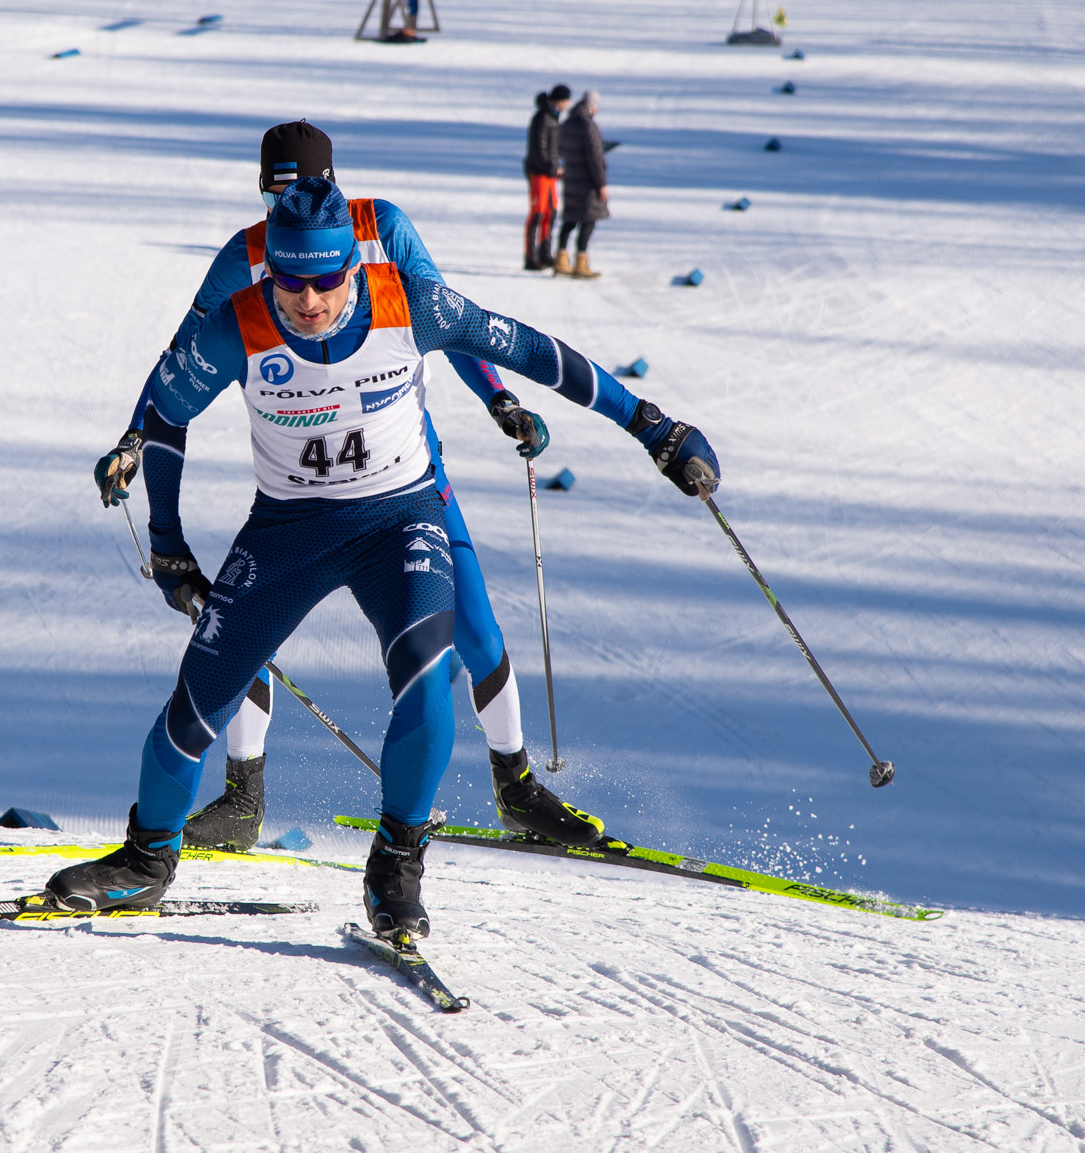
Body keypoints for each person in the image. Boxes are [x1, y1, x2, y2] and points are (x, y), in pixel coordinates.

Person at [49, 178, 720, 937]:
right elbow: (165, 414)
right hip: (287, 532)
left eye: (326, 280)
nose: (308, 301)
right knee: (196, 701)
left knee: (430, 682)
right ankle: (145, 861)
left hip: (401, 520)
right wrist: (168, 542)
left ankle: (396, 865)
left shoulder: (411, 303)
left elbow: (534, 351)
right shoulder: (235, 325)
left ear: (353, 266)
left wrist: (653, 427)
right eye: (289, 281)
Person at [94, 121, 597, 857]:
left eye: (299, 188)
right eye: (274, 192)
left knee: (475, 629)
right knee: (242, 630)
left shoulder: (381, 226)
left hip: (406, 481)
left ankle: (515, 787)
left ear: (332, 183)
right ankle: (243, 795)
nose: (284, 202)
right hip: (300, 489)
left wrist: (500, 399)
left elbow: (452, 321)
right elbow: (184, 358)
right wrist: (136, 437)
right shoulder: (246, 255)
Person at [556, 90, 608, 278]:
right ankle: (580, 263)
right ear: (592, 106)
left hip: (571, 179)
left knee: (570, 219)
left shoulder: (567, 123)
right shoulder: (589, 125)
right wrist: (601, 184)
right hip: (587, 182)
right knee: (588, 220)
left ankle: (561, 260)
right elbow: (595, 158)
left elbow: (559, 149)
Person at [523, 84, 569, 271]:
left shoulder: (553, 117)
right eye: (566, 101)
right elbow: (539, 150)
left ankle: (545, 254)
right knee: (538, 213)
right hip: (539, 173)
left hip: (550, 174)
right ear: (560, 101)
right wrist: (552, 168)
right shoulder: (542, 118)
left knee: (551, 212)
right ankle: (531, 257)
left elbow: (553, 149)